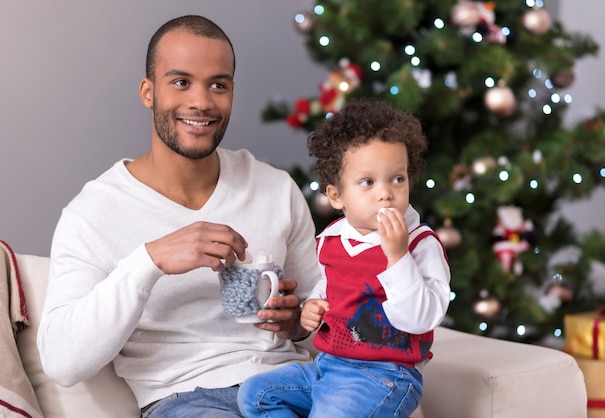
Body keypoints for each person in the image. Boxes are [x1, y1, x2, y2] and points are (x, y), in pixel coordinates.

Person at [36, 15, 319, 418]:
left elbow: (321, 316)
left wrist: (298, 324)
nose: (201, 102)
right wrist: (150, 260)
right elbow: (62, 361)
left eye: (218, 84)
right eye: (181, 82)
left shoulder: (275, 188)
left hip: (290, 386)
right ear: (148, 92)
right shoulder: (93, 213)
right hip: (188, 400)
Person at [238, 99, 451, 418]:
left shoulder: (420, 243)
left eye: (397, 178)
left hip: (386, 376)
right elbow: (331, 285)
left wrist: (397, 256)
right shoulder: (332, 238)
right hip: (328, 367)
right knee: (256, 395)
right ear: (337, 196)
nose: (386, 193)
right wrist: (313, 306)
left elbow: (421, 319)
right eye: (368, 182)